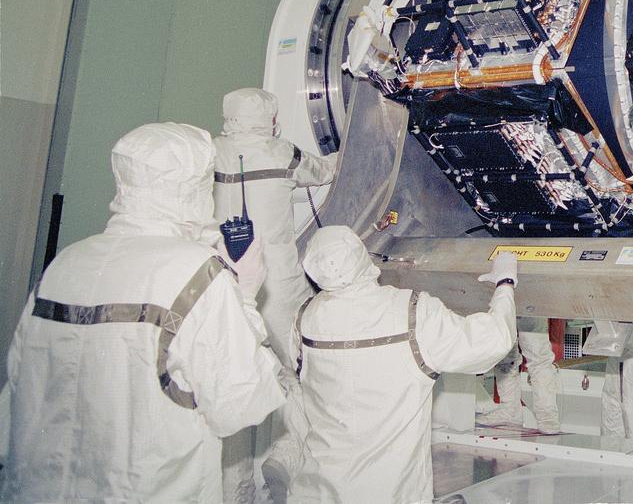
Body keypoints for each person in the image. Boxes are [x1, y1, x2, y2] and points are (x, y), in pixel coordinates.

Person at [0, 123, 284, 502]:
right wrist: (245, 295)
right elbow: (241, 404)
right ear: (194, 186)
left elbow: (17, 396)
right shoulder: (198, 271)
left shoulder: (65, 263)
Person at [290, 226, 517, 503]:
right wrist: (505, 283)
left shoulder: (304, 318)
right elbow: (492, 340)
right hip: (392, 494)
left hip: (317, 491)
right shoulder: (412, 312)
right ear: (362, 256)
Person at [214, 87, 337, 502]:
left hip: (226, 287)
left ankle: (236, 491)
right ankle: (288, 464)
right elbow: (322, 171)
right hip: (279, 286)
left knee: (236, 382)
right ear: (268, 117)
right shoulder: (281, 152)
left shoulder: (211, 153)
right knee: (297, 375)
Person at [477, 317, 561, 433]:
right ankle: (510, 411)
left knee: (538, 358)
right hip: (503, 304)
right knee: (504, 355)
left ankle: (547, 417)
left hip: (530, 305)